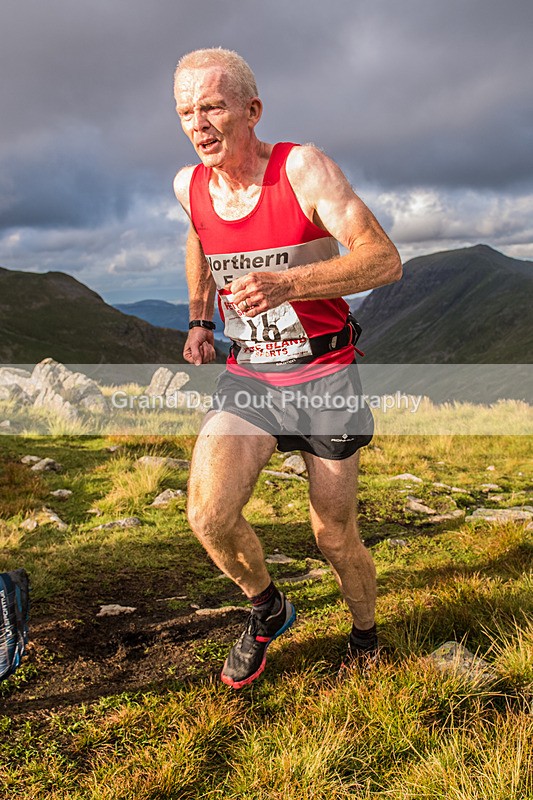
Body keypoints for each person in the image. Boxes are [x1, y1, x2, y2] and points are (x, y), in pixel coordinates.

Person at [172, 48, 402, 689]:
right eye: (187, 112)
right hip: (252, 378)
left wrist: (290, 284)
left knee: (333, 533)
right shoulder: (189, 185)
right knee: (209, 516)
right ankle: (268, 608)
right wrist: (199, 318)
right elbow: (197, 232)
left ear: (252, 110)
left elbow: (384, 261)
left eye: (213, 107)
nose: (200, 124)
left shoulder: (302, 168)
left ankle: (365, 636)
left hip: (325, 375)